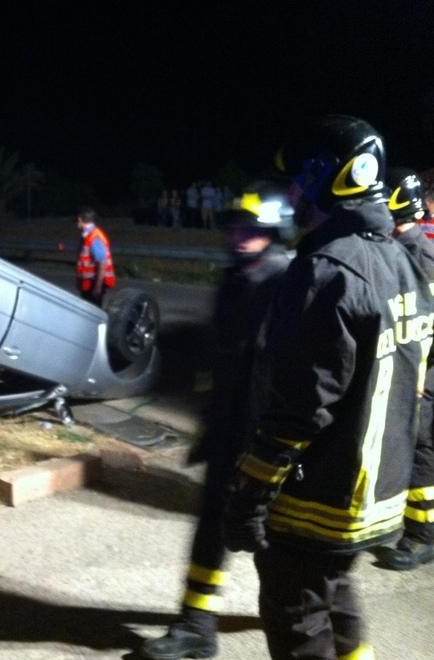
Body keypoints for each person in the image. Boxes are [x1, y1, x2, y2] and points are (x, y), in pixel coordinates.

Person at [222, 115, 434, 659]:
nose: (292, 191)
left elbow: (300, 407)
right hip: (378, 496)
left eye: (299, 178)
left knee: (298, 620)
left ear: (326, 178)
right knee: (337, 598)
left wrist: (249, 497)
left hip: (318, 500)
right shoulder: (401, 261)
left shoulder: (325, 270)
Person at [142, 183, 292, 660]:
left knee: (276, 538)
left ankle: (293, 619)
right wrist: (211, 420)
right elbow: (222, 358)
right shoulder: (234, 279)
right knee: (211, 527)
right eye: (234, 227)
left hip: (269, 436)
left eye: (252, 228)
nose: (240, 235)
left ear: (274, 230)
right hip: (229, 430)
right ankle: (196, 626)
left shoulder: (285, 283)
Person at [374, 167, 434, 570]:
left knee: (424, 443)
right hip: (415, 363)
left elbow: (425, 320)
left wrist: (417, 378)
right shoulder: (402, 245)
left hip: (427, 367)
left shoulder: (421, 253)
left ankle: (423, 532)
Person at [75, 207, 116, 305]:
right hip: (90, 282)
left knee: (93, 311)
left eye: (77, 221)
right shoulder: (89, 235)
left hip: (94, 283)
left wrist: (97, 287)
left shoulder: (94, 237)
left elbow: (102, 262)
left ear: (80, 220)